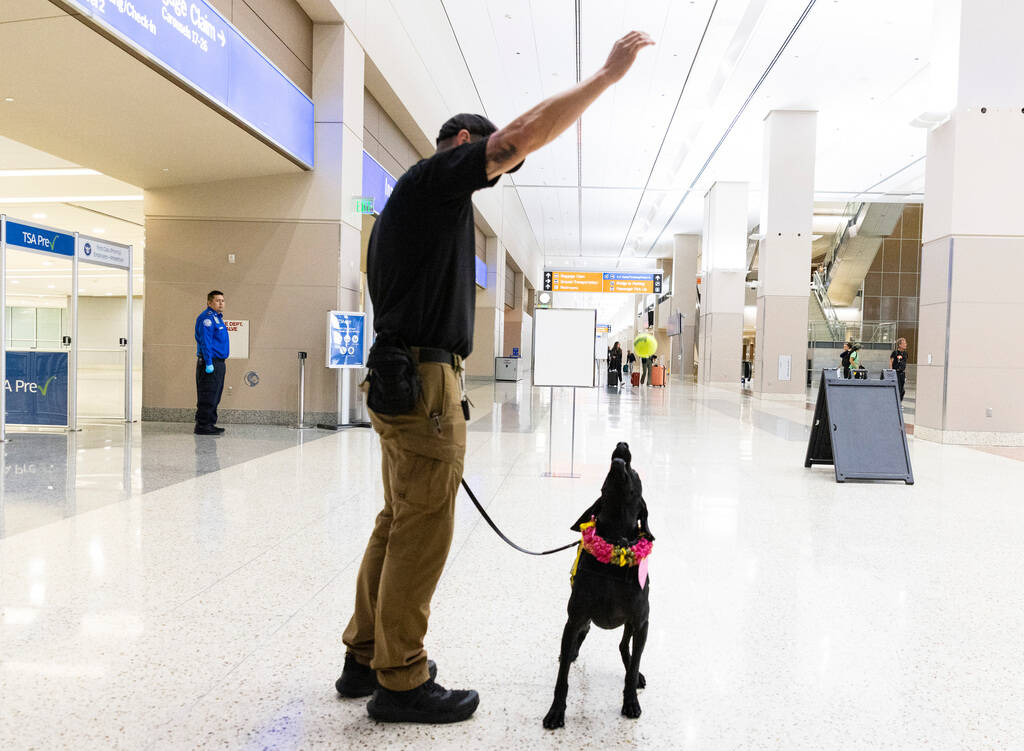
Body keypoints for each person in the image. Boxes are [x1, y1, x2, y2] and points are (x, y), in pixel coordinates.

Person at [336, 31, 655, 725]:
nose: (494, 173)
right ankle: (401, 677)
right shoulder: (435, 178)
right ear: (463, 144)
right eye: (490, 164)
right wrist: (605, 76)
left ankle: (365, 655)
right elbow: (517, 135)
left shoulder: (401, 212)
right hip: (422, 388)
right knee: (421, 530)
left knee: (396, 521)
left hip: (400, 382)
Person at [194, 290, 228, 435]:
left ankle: (210, 423)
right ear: (209, 303)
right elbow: (205, 342)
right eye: (217, 300)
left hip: (219, 361)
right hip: (210, 362)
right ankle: (202, 425)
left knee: (215, 394)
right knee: (207, 394)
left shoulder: (217, 318)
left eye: (222, 300)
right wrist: (208, 362)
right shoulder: (207, 318)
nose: (221, 303)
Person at [890, 337, 908, 401]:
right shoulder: (895, 353)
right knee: (898, 389)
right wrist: (891, 373)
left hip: (902, 374)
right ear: (900, 345)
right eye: (904, 343)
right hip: (896, 373)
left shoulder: (905, 353)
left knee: (902, 391)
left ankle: (899, 403)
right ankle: (896, 403)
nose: (906, 344)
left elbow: (904, 364)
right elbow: (891, 363)